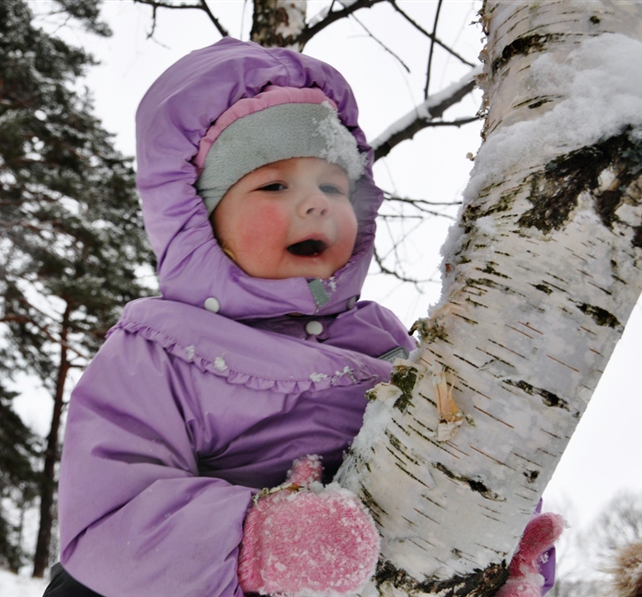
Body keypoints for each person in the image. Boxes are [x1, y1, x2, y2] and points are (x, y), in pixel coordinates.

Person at [46, 37, 559, 597]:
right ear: (197, 216)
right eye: (274, 184)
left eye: (333, 186)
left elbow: (457, 446)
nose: (315, 203)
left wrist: (492, 543)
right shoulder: (158, 351)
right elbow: (107, 519)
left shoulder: (382, 338)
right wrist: (260, 542)